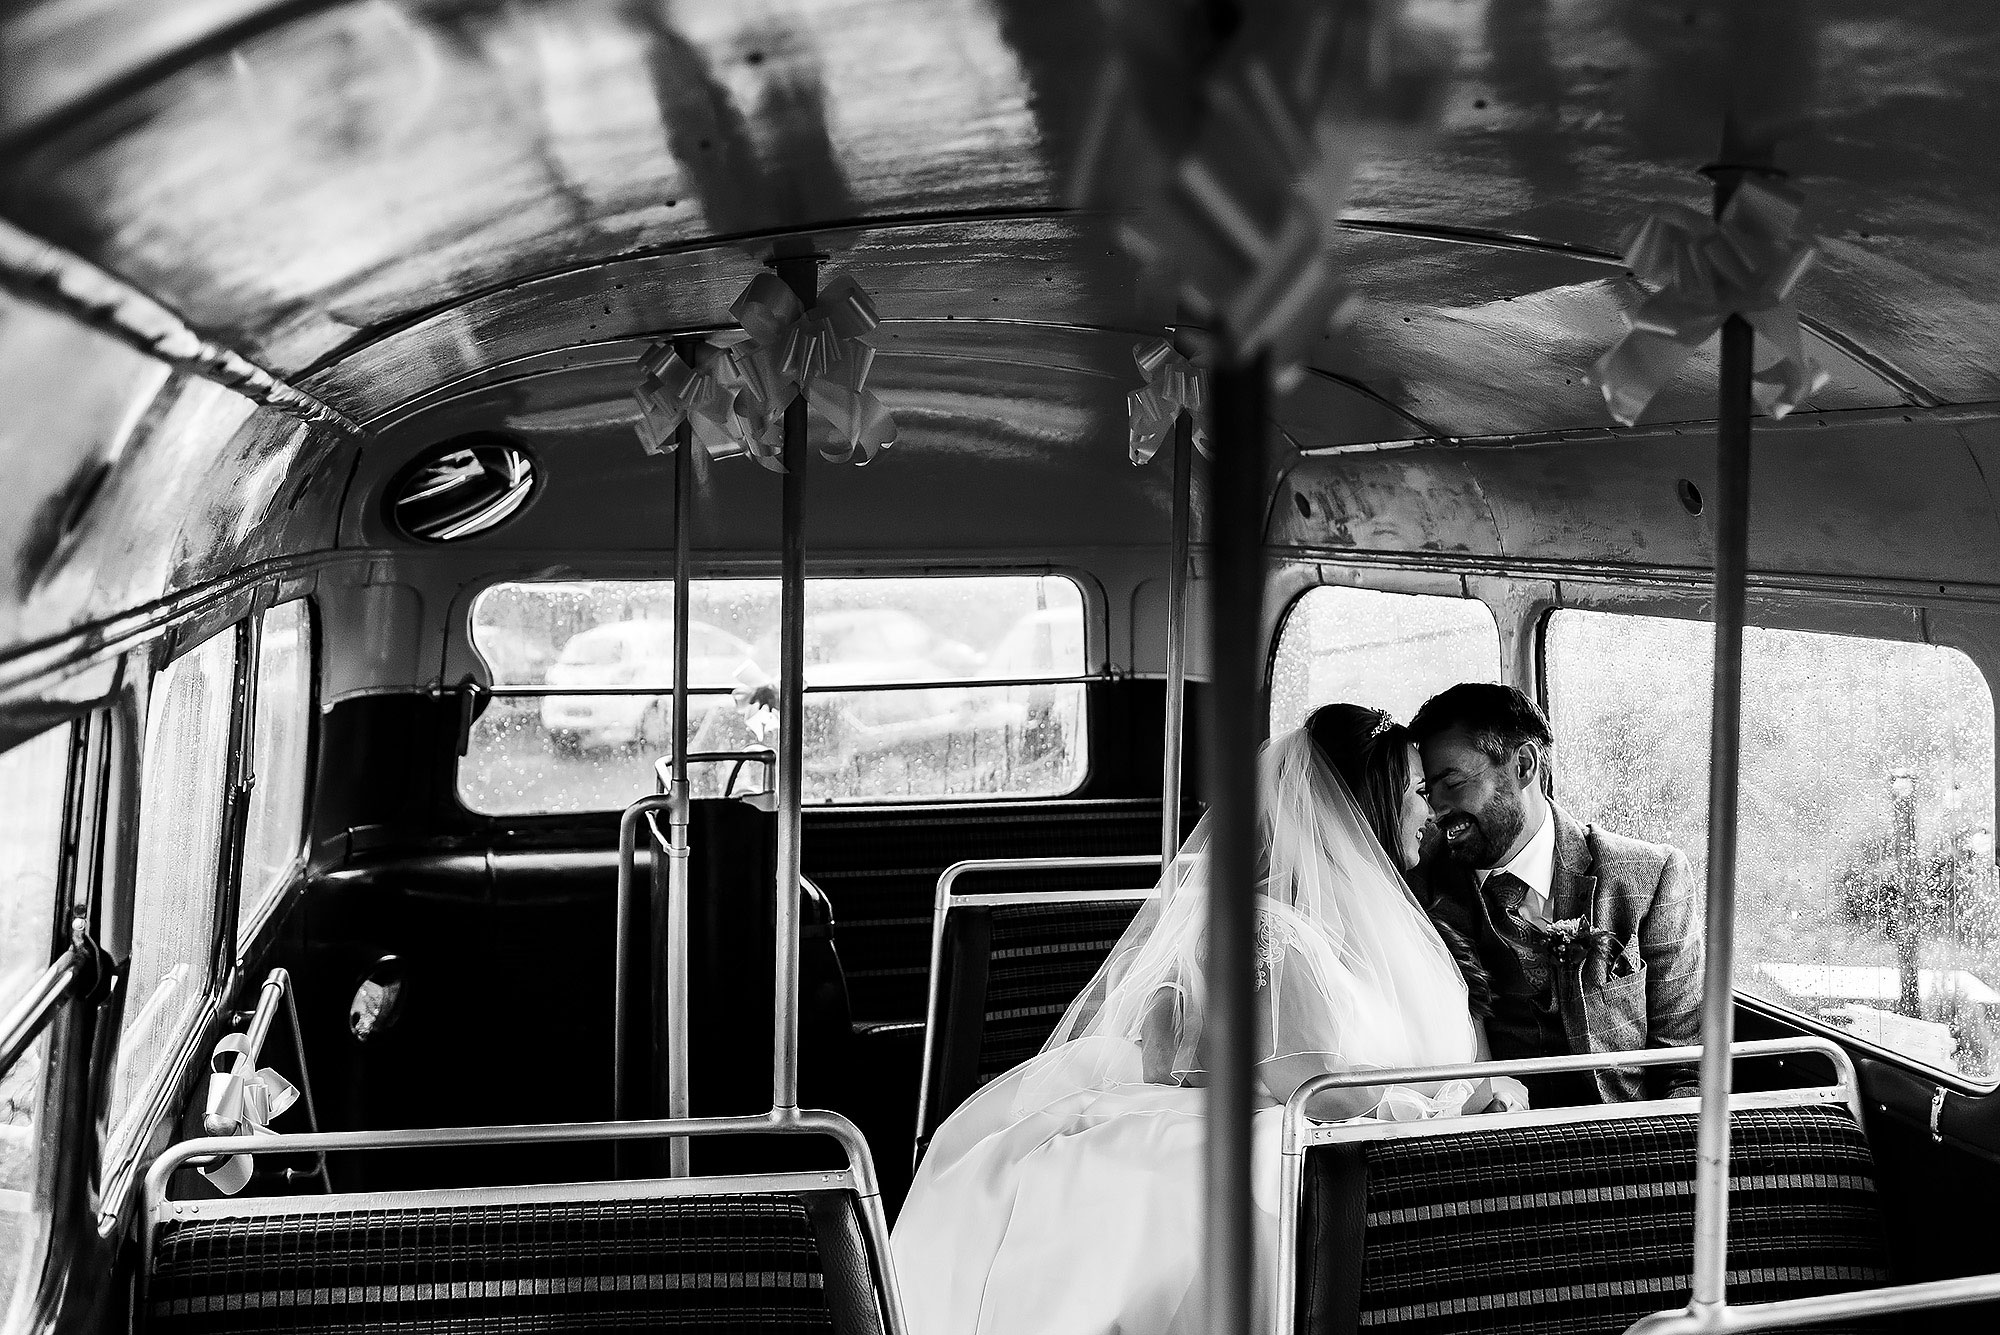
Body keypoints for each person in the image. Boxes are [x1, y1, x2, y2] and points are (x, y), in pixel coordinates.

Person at [891, 719, 1502, 1335]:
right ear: (1365, 802)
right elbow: (1315, 1087)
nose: (1431, 810)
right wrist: (1455, 1098)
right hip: (1283, 1126)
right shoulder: (1262, 931)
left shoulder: (1384, 924)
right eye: (1418, 790)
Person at [1410, 683, 1702, 1106]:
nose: (1434, 809)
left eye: (1451, 783)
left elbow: (1687, 1067)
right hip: (1494, 1138)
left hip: (1629, 1136)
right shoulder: (1418, 884)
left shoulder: (1650, 877)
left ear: (1524, 766)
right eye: (1426, 791)